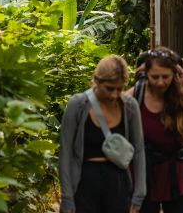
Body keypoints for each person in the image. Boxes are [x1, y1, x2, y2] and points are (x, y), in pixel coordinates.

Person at [130, 47, 183, 213]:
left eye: (166, 77)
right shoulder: (136, 95)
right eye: (155, 77)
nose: (160, 82)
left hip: (179, 173)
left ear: (176, 74)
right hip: (143, 173)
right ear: (145, 74)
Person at [59, 55, 146, 213]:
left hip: (118, 184)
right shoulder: (78, 105)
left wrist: (139, 194)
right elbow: (66, 152)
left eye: (119, 89)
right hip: (84, 183)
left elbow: (139, 150)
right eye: (109, 88)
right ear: (97, 81)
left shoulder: (129, 106)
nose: (114, 95)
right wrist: (67, 197)